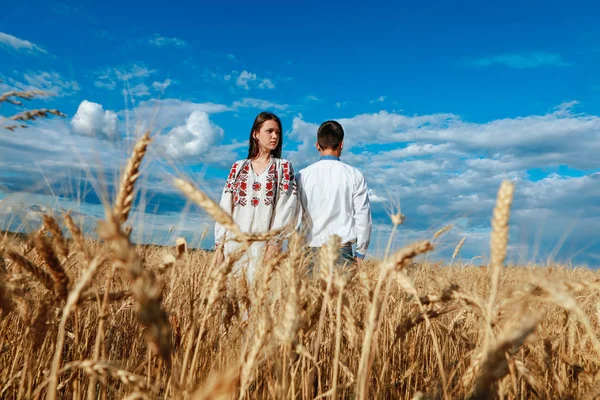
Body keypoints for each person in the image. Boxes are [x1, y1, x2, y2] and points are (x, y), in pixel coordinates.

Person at [214, 111, 299, 282]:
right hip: (234, 246)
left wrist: (274, 245)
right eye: (270, 131)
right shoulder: (238, 168)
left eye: (278, 133)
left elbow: (286, 208)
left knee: (261, 299)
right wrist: (219, 247)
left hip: (265, 248)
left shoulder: (283, 167)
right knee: (232, 297)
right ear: (256, 134)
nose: (275, 136)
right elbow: (224, 208)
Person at [295, 120, 372, 269]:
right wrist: (360, 252)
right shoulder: (354, 175)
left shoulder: (302, 176)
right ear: (341, 144)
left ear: (317, 145)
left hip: (310, 251)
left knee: (311, 293)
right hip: (342, 252)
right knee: (342, 293)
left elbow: (295, 216)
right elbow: (363, 216)